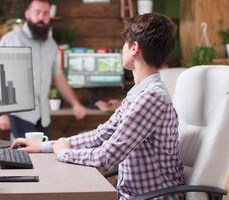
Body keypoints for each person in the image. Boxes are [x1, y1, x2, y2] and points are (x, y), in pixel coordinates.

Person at [11, 13, 185, 199]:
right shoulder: (138, 93)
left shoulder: (151, 97)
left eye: (125, 43)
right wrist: (45, 146)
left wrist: (63, 152)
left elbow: (106, 157)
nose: (123, 48)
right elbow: (101, 135)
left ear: (134, 48)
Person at [0, 0, 86, 138]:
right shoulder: (11, 40)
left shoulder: (51, 44)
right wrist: (1, 113)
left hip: (43, 116)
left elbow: (58, 76)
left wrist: (75, 103)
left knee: (40, 156)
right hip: (20, 114)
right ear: (27, 14)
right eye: (37, 12)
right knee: (23, 157)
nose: (41, 17)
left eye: (45, 13)